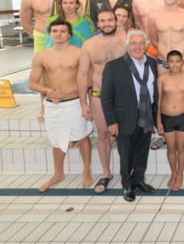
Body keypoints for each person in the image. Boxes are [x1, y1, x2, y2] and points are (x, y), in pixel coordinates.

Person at [29, 19, 94, 192]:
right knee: (56, 139)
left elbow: (88, 79)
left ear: (69, 34)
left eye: (62, 31)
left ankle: (86, 171)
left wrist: (65, 92)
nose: (58, 34)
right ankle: (58, 173)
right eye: (55, 31)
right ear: (49, 34)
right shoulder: (41, 56)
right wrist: (49, 91)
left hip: (73, 101)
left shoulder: (79, 53)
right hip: (53, 104)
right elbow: (32, 83)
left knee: (82, 136)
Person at [101, 30, 159, 202]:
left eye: (141, 43)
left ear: (146, 46)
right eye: (133, 43)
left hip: (146, 116)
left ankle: (139, 180)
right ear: (127, 45)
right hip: (124, 119)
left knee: (142, 151)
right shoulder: (114, 66)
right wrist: (111, 122)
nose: (138, 47)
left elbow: (154, 91)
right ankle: (127, 184)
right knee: (126, 154)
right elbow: (106, 97)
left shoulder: (152, 63)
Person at [77, 10, 126, 194]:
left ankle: (128, 171)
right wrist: (83, 103)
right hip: (98, 95)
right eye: (103, 21)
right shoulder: (89, 45)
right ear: (97, 24)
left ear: (117, 21)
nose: (107, 23)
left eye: (110, 20)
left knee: (126, 134)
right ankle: (106, 172)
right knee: (103, 134)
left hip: (124, 95)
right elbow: (82, 74)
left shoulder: (126, 40)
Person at [20, 0, 59, 122]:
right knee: (42, 74)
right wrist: (39, 36)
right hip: (42, 37)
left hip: (61, 38)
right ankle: (43, 108)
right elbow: (26, 23)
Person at [156, 50, 184, 191]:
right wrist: (158, 122)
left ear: (182, 62)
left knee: (181, 147)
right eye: (171, 61)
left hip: (183, 117)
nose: (174, 64)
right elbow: (158, 101)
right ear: (167, 63)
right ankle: (173, 173)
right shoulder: (161, 79)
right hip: (166, 118)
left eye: (177, 61)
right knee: (171, 148)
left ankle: (180, 174)